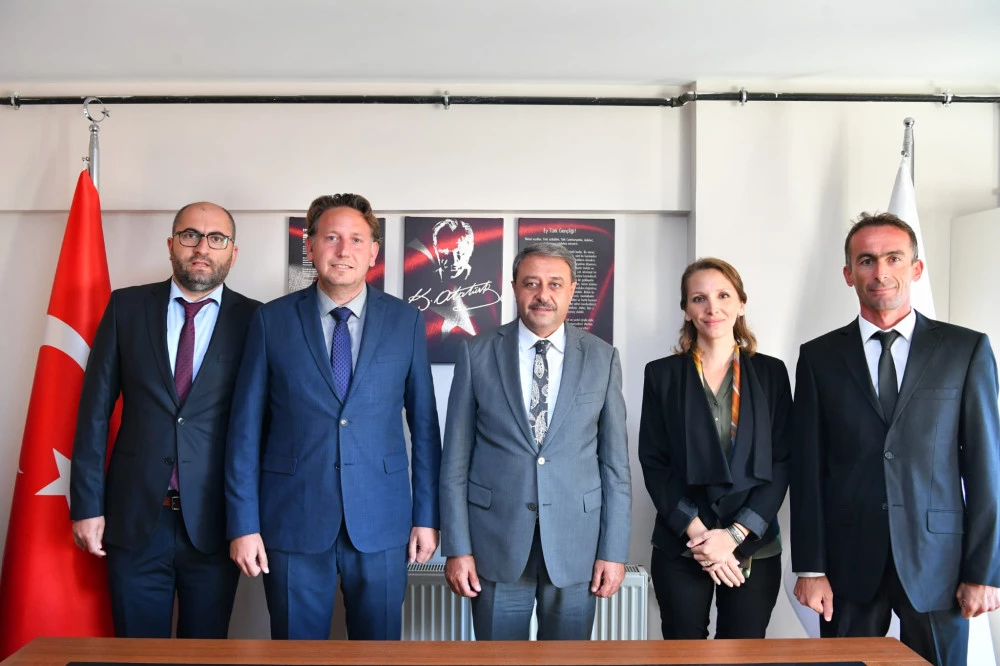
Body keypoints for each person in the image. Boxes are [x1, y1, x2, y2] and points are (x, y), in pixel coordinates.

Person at [225, 193, 441, 640]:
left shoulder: (406, 321)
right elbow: (244, 432)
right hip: (293, 519)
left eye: (356, 239)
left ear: (374, 251)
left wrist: (427, 516)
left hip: (383, 520)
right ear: (309, 246)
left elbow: (424, 428)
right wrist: (243, 524)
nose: (344, 250)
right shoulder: (271, 321)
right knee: (296, 656)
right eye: (331, 238)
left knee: (379, 654)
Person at [790, 212, 1000, 666]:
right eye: (866, 261)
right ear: (848, 274)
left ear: (916, 268)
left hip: (939, 564)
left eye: (893, 258)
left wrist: (985, 570)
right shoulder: (818, 357)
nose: (880, 272)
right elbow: (807, 470)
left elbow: (987, 469)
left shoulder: (965, 350)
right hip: (847, 565)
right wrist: (810, 567)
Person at [70, 202, 260, 638]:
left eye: (216, 238)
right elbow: (94, 412)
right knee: (136, 654)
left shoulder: (256, 320)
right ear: (171, 244)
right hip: (135, 517)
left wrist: (251, 520)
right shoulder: (126, 307)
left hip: (216, 522)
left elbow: (262, 426)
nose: (202, 248)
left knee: (205, 654)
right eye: (190, 235)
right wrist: (86, 505)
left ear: (233, 253)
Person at [439, 242, 631, 640]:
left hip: (576, 546)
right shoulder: (476, 353)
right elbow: (455, 462)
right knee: (498, 663)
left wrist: (613, 552)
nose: (543, 294)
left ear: (571, 290)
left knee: (566, 663)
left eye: (555, 284)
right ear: (514, 287)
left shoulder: (602, 358)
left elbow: (615, 467)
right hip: (495, 543)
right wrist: (457, 547)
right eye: (531, 283)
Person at [638, 258, 791, 639]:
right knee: (684, 656)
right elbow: (654, 462)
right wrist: (700, 535)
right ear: (686, 310)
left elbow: (783, 460)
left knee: (742, 655)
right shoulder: (661, 375)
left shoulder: (772, 373)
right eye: (699, 298)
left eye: (723, 295)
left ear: (741, 303)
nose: (712, 308)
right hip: (683, 542)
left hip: (753, 543)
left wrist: (734, 536)